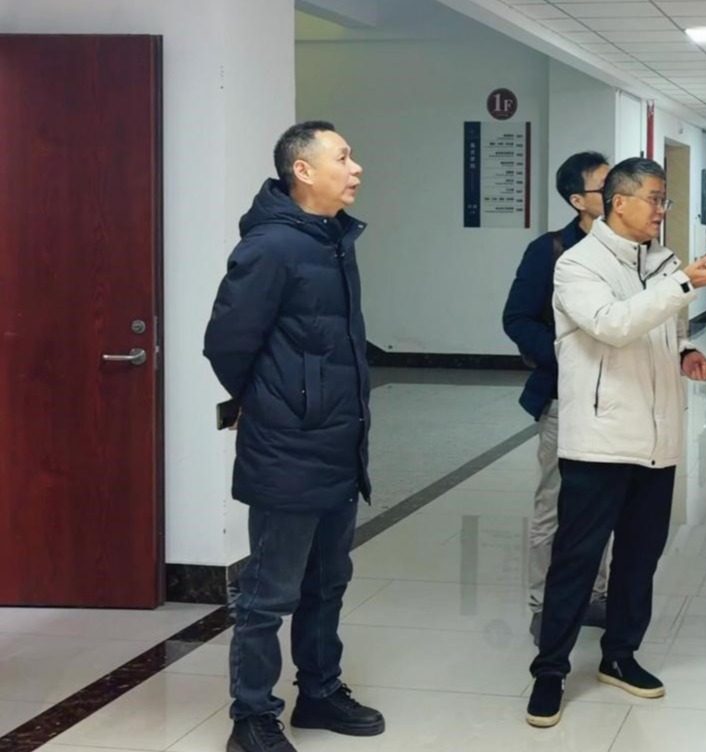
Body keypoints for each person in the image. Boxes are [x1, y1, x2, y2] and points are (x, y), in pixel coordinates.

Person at [525, 158, 706, 728]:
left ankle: (620, 654)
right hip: (601, 441)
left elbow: (667, 329)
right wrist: (684, 284)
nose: (663, 210)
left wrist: (685, 351)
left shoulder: (662, 260)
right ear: (619, 202)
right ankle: (550, 670)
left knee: (640, 558)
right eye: (655, 199)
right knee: (577, 559)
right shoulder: (577, 265)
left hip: (657, 438)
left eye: (664, 200)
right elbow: (613, 325)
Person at [204, 121, 385, 752]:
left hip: (338, 440)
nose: (356, 168)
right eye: (343, 157)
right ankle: (252, 716)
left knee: (328, 581)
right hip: (289, 445)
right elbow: (226, 343)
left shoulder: (333, 239)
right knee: (269, 592)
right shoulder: (272, 246)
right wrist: (276, 400)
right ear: (303, 170)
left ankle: (320, 691)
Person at [502, 151, 613, 645]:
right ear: (577, 201)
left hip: (618, 400)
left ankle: (596, 594)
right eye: (604, 188)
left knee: (604, 504)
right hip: (564, 398)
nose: (616, 194)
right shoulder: (549, 251)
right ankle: (543, 604)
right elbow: (517, 318)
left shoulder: (632, 249)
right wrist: (567, 358)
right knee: (554, 504)